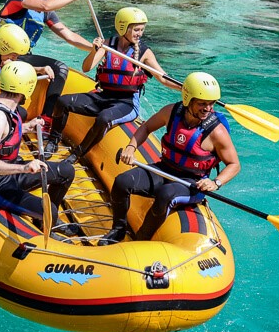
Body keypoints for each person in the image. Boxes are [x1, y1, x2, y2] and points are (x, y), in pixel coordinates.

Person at [99, 72, 241, 245]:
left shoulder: (217, 132)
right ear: (188, 99)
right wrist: (131, 147)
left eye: (211, 104)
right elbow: (146, 128)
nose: (207, 109)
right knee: (122, 181)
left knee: (165, 194)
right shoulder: (171, 112)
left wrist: (215, 183)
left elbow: (234, 164)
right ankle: (118, 231)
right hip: (164, 168)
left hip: (192, 183)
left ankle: (140, 240)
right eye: (202, 103)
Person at [44, 7, 181, 164]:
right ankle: (54, 140)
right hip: (104, 96)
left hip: (126, 103)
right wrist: (94, 50)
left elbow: (163, 78)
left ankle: (77, 154)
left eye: (142, 29)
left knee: (104, 118)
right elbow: (86, 68)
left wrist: (183, 88)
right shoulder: (109, 44)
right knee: (63, 102)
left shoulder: (144, 52)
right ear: (123, 27)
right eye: (136, 29)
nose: (140, 34)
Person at [0, 60, 78, 236]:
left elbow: (3, 137)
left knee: (66, 171)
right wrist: (24, 167)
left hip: (8, 172)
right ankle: (47, 218)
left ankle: (43, 218)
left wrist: (27, 126)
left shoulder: (6, 102)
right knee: (51, 210)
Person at [0, 0, 95, 131]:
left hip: (21, 58)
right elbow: (45, 5)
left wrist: (94, 47)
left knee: (60, 68)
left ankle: (45, 119)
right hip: (0, 54)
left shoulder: (46, 14)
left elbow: (69, 36)